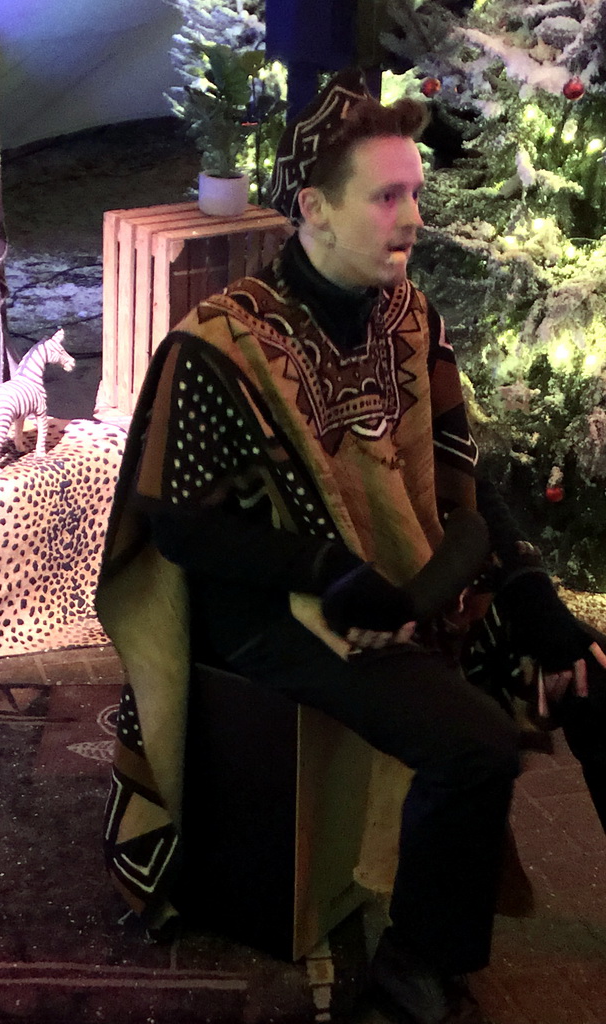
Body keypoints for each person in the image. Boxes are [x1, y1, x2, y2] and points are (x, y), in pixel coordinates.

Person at [96, 69, 606, 1024]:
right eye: (386, 196)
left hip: (404, 579)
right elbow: (183, 522)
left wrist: (534, 600)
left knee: (588, 667)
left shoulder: (410, 320)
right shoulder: (221, 345)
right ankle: (414, 971)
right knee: (475, 744)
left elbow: (462, 479)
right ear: (314, 210)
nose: (412, 215)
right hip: (272, 613)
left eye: (416, 192)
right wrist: (322, 570)